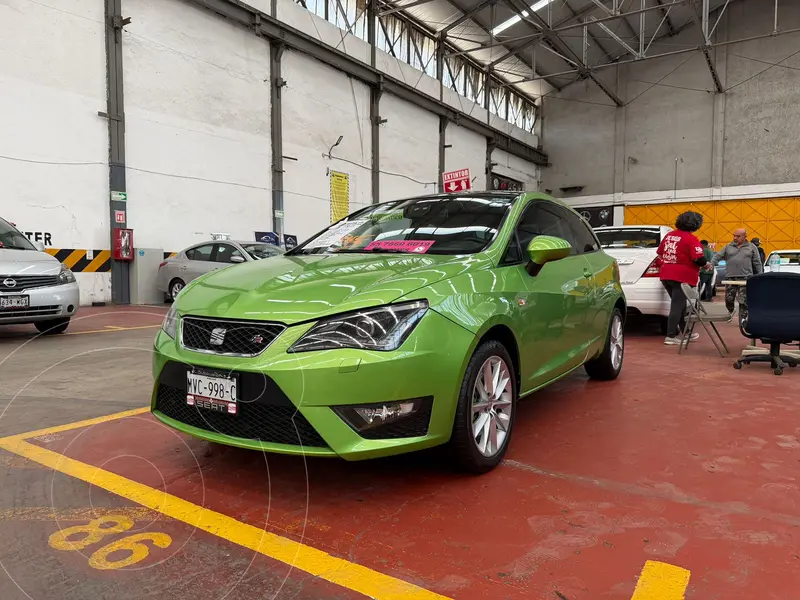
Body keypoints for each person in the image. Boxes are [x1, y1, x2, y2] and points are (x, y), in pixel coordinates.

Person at [656, 211, 709, 346]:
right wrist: (707, 264)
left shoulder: (669, 236)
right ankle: (670, 336)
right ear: (696, 224)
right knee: (676, 306)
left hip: (666, 274)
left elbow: (660, 253)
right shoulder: (691, 239)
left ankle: (686, 332)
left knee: (680, 305)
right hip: (681, 277)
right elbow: (698, 259)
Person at [706, 228, 763, 323]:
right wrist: (711, 263)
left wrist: (759, 275)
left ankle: (743, 319)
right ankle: (731, 311)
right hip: (730, 278)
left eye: (738, 236)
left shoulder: (752, 247)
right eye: (734, 236)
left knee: (743, 300)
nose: (735, 238)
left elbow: (757, 263)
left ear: (745, 236)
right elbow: (717, 256)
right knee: (729, 299)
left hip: (745, 278)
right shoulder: (728, 247)